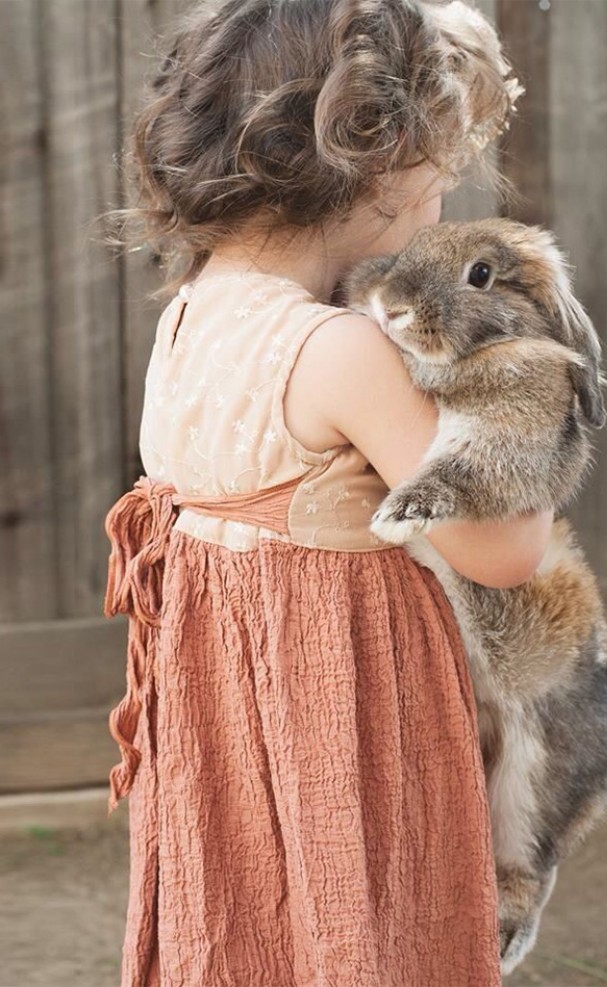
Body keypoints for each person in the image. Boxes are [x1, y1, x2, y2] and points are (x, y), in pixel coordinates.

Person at [101, 1, 552, 984]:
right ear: (375, 170)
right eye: (438, 185)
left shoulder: (190, 313)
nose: (439, 210)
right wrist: (509, 381)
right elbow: (502, 547)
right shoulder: (337, 349)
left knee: (253, 921)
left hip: (222, 723)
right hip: (339, 720)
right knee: (363, 917)